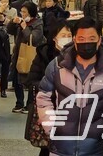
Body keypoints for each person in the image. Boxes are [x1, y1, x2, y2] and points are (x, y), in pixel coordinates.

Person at [37, 17, 103, 156]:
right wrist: (51, 126)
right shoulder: (57, 66)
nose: (86, 43)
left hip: (96, 148)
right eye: (81, 39)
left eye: (91, 38)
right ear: (74, 39)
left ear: (99, 40)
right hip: (60, 147)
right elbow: (43, 97)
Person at [26, 20, 72, 156]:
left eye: (69, 34)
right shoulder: (43, 54)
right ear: (54, 37)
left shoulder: (76, 55)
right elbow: (32, 80)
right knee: (47, 146)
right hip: (49, 107)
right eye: (63, 35)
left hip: (69, 108)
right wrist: (50, 89)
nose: (67, 38)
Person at [7, 1, 45, 113]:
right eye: (21, 11)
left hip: (31, 55)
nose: (22, 14)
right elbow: (9, 31)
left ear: (31, 13)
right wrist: (13, 23)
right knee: (17, 79)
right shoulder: (21, 22)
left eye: (24, 12)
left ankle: (29, 105)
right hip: (18, 53)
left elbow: (34, 39)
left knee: (29, 80)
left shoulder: (38, 24)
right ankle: (19, 103)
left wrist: (25, 28)